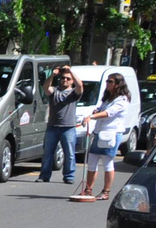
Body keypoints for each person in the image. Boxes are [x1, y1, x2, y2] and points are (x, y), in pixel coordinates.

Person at [78, 73, 133, 201]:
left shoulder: (122, 99)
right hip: (99, 132)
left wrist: (91, 117)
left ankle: (106, 191)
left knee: (107, 163)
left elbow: (109, 113)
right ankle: (88, 189)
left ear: (118, 84)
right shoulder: (108, 98)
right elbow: (102, 109)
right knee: (92, 161)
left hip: (111, 133)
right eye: (107, 81)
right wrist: (96, 111)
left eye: (110, 81)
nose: (107, 83)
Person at [40, 64, 82, 185]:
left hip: (68, 127)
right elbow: (46, 88)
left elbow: (80, 86)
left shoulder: (74, 93)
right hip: (52, 127)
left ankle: (69, 176)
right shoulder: (55, 91)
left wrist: (71, 71)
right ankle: (44, 175)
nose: (65, 80)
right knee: (47, 153)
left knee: (69, 154)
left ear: (72, 80)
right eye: (63, 78)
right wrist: (53, 75)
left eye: (68, 78)